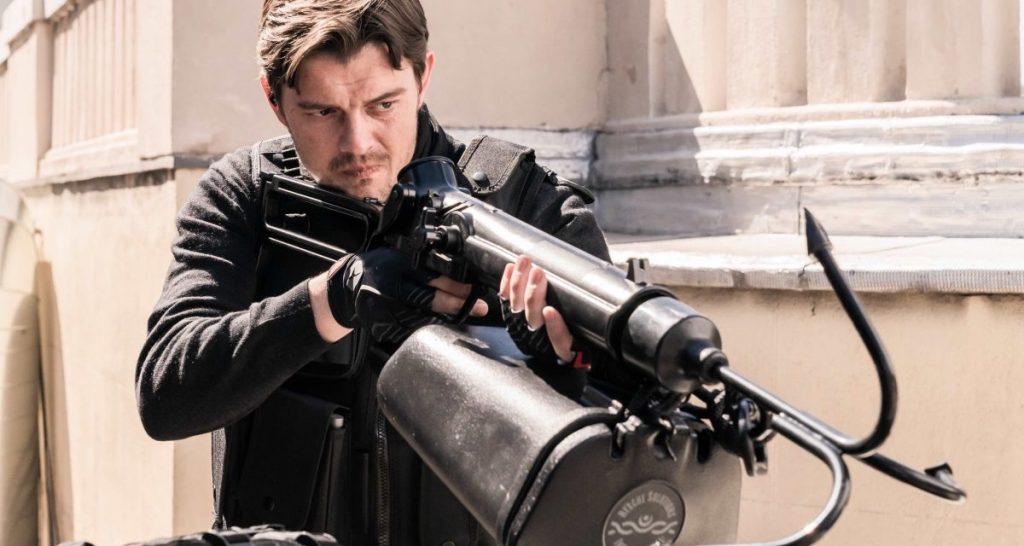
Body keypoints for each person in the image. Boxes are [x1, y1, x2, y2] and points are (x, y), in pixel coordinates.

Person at [135, 0, 610, 544]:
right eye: (323, 112)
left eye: (383, 104)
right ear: (274, 100)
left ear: (423, 76)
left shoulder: (524, 205)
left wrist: (557, 369)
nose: (358, 143)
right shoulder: (244, 196)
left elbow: (624, 442)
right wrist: (331, 302)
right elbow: (166, 395)